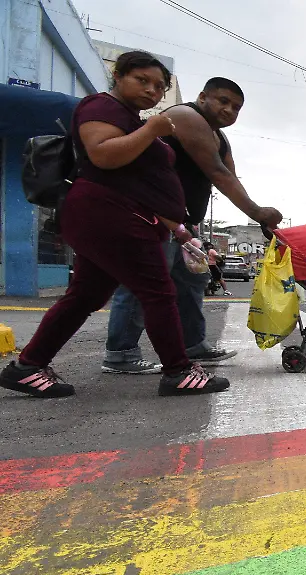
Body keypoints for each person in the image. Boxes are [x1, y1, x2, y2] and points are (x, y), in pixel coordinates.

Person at [1, 51, 228, 398]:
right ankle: (179, 371)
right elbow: (103, 154)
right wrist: (153, 129)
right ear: (118, 76)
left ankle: (27, 366)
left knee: (85, 296)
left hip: (118, 216)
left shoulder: (130, 118)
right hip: (111, 216)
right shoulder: (100, 107)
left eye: (159, 87)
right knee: (158, 292)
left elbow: (144, 183)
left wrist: (178, 230)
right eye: (142, 80)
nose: (152, 91)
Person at [101, 77, 283, 375]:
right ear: (202, 97)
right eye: (223, 101)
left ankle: (192, 344)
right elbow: (217, 173)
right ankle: (120, 353)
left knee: (191, 282)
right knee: (141, 284)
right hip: (152, 216)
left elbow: (230, 179)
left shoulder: (220, 138)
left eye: (236, 107)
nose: (229, 110)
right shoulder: (186, 116)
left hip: (183, 224)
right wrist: (258, 211)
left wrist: (262, 221)